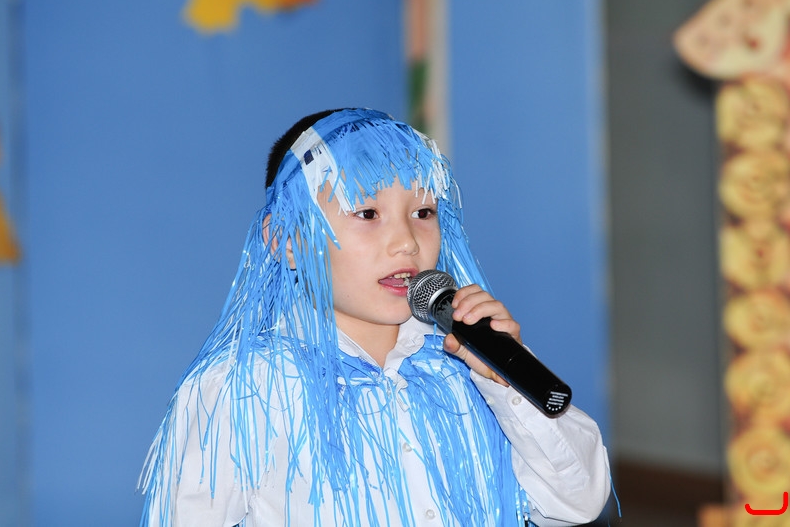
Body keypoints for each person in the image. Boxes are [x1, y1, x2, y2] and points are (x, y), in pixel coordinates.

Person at [138, 108, 611, 526]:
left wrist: (506, 383)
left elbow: (580, 501)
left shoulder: (473, 362)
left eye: (423, 212)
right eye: (367, 213)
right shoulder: (242, 388)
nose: (406, 242)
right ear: (287, 240)